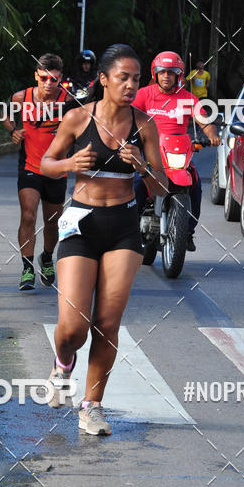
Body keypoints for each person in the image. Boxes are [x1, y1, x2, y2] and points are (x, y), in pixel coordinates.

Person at [40, 44, 166, 435]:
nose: (131, 85)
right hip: (81, 223)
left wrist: (142, 166)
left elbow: (161, 186)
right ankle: (63, 364)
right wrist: (69, 164)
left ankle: (91, 406)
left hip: (123, 226)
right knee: (72, 328)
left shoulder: (146, 125)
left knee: (107, 323)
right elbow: (46, 162)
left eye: (136, 79)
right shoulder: (77, 118)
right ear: (104, 80)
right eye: (123, 77)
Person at [133, 51, 219, 252]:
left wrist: (212, 134)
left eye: (170, 72)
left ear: (178, 75)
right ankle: (130, 229)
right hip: (150, 151)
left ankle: (187, 232)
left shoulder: (188, 99)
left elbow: (204, 120)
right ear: (155, 73)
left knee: (195, 186)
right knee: (138, 182)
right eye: (162, 72)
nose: (166, 76)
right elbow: (128, 114)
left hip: (177, 153)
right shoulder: (144, 94)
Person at [3, 53, 70, 291]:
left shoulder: (68, 100)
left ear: (60, 79)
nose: (49, 84)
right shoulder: (22, 97)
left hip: (57, 170)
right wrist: (13, 131)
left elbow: (82, 125)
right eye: (44, 78)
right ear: (36, 76)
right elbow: (5, 114)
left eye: (54, 79)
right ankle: (27, 267)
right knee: (28, 215)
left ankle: (47, 258)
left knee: (52, 223)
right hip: (30, 166)